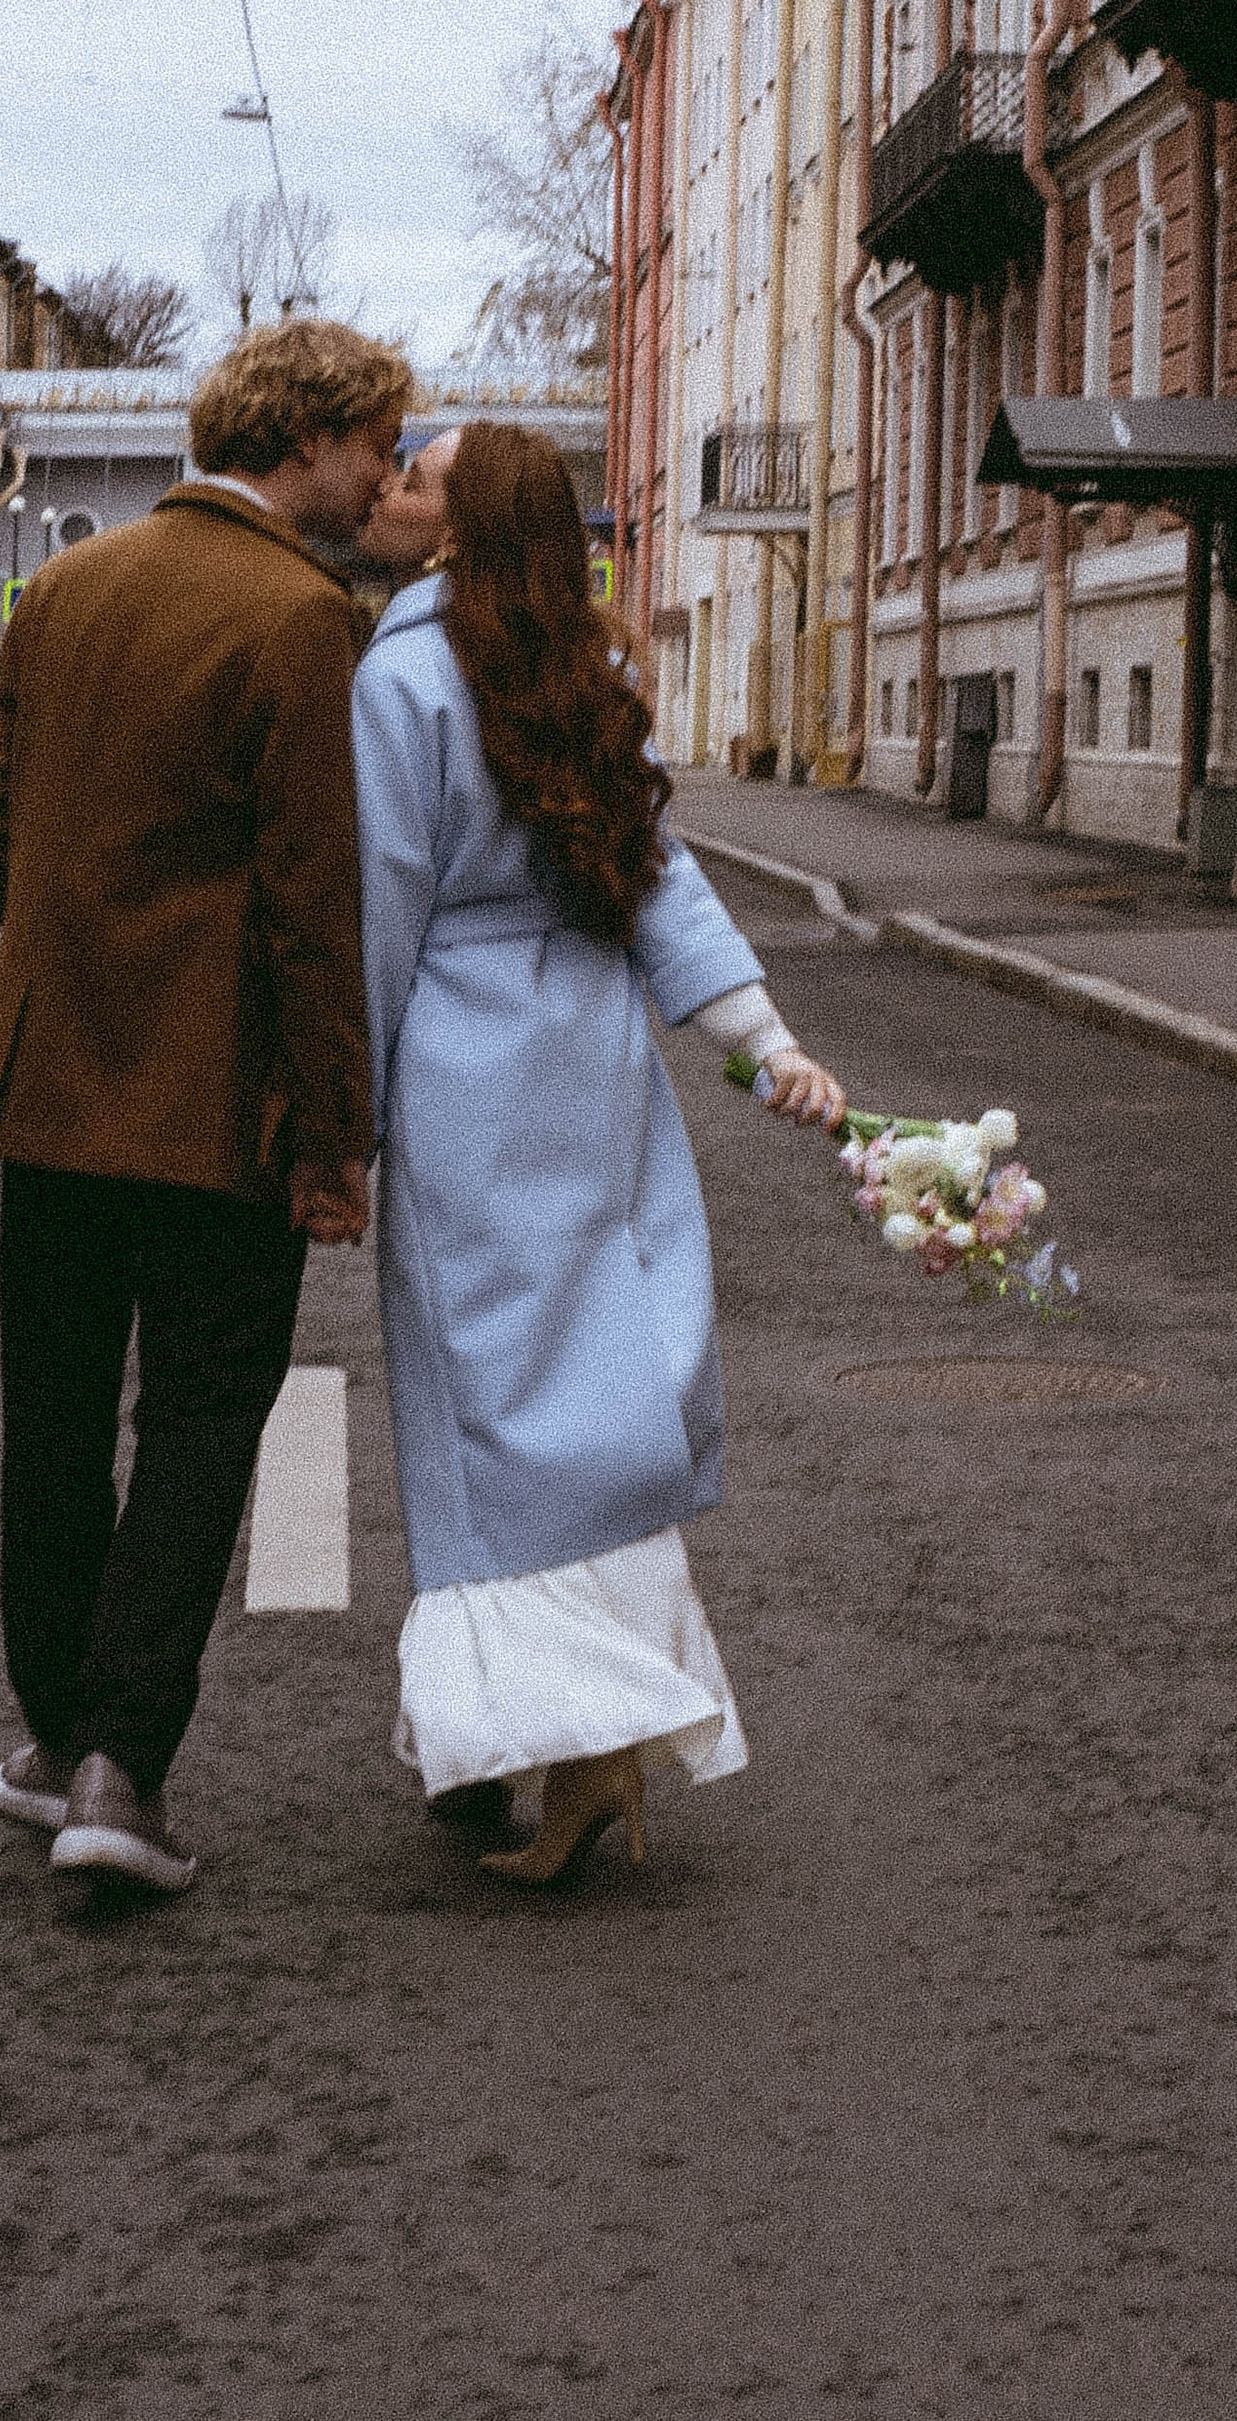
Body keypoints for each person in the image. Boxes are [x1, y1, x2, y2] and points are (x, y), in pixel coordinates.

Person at [0, 317, 418, 1897]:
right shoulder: (299, 616)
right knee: (205, 1426)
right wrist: (336, 1139)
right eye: (375, 445)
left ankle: (50, 1738)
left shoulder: (68, 588)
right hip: (218, 1111)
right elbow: (312, 906)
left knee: (57, 1422)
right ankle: (120, 1763)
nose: (381, 477)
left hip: (48, 1091)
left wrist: (77, 969)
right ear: (308, 438)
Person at [352, 420, 844, 1887]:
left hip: (460, 1065)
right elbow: (657, 869)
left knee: (482, 1413)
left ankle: (559, 1739)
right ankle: (571, 1743)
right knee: (597, 1385)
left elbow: (385, 901)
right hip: (597, 1060)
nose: (390, 486)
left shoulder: (403, 675)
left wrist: (345, 1122)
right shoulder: (588, 671)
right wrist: (765, 1040)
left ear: (459, 530)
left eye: (418, 476)